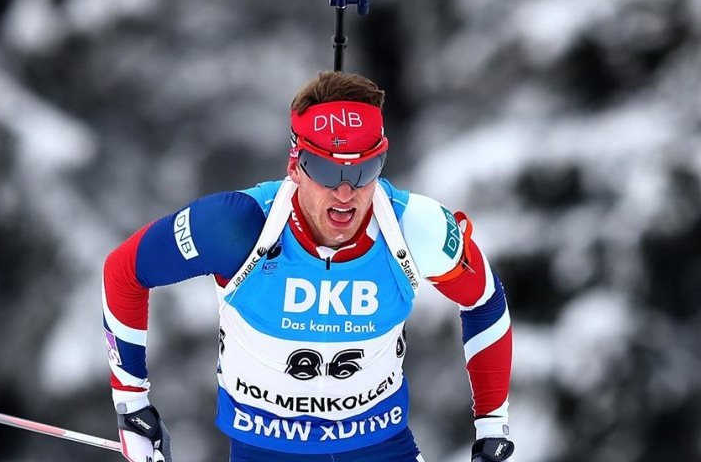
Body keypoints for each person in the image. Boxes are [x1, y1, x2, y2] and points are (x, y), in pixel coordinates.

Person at [102, 71, 514, 462]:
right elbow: (124, 270)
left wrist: (492, 425)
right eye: (326, 170)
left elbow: (484, 301)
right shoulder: (237, 227)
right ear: (295, 165)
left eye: (364, 169)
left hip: (381, 447)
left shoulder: (416, 228)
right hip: (266, 449)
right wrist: (131, 403)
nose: (346, 192)